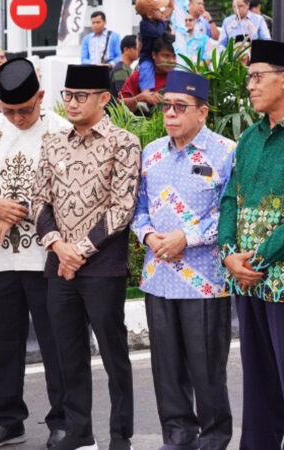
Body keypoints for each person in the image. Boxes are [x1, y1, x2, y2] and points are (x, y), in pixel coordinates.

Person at [32, 64, 141, 450]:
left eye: (81, 96)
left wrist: (78, 251)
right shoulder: (53, 142)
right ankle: (79, 433)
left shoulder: (123, 142)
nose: (72, 103)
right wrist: (58, 246)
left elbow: (122, 207)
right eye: (68, 95)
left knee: (113, 355)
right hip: (60, 266)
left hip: (103, 267)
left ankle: (120, 435)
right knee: (68, 353)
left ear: (104, 98)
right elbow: (38, 199)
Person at [0, 57, 70, 450]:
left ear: (40, 97)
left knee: (54, 342)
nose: (17, 119)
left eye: (24, 110)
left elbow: (65, 192)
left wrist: (17, 210)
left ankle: (62, 420)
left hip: (46, 258)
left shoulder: (60, 131)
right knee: (5, 343)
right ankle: (10, 421)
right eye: (8, 111)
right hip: (0, 259)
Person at [132, 70, 234, 450]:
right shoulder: (152, 152)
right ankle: (177, 437)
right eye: (166, 106)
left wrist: (186, 238)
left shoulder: (225, 152)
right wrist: (149, 236)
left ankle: (214, 438)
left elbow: (230, 214)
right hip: (158, 276)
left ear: (202, 112)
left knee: (207, 369)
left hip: (203, 281)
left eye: (180, 106)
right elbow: (139, 208)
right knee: (166, 369)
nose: (170, 114)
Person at [218, 39, 284, 449]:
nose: (250, 86)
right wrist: (229, 255)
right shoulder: (249, 139)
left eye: (258, 77)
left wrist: (255, 260)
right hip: (248, 282)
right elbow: (229, 197)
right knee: (258, 386)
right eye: (249, 78)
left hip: (276, 279)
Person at [120, 36, 176, 113]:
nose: (171, 61)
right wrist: (140, 97)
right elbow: (120, 105)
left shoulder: (179, 79)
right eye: (166, 56)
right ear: (154, 55)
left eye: (174, 57)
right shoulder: (138, 77)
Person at [109, 35, 137, 99]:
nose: (139, 51)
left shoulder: (127, 68)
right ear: (126, 50)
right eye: (136, 48)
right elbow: (123, 96)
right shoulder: (121, 70)